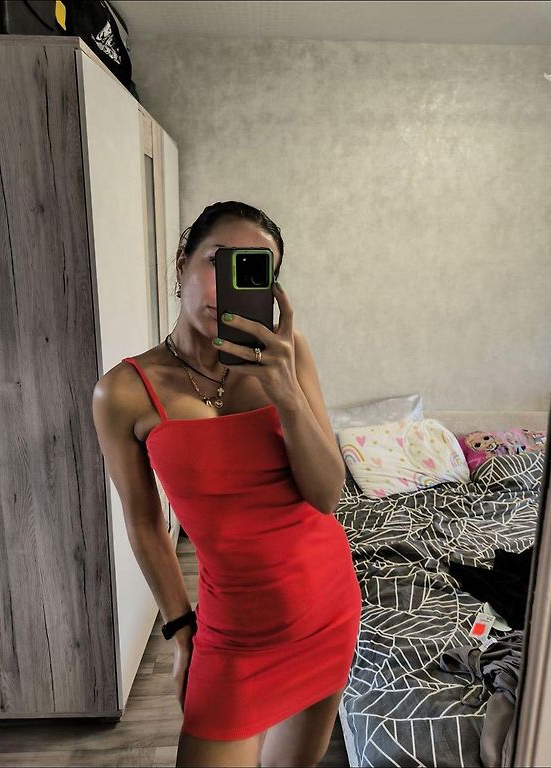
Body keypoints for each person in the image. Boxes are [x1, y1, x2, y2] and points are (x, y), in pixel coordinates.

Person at [92, 201, 362, 768]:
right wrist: (179, 630)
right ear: (182, 262)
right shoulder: (123, 392)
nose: (228, 286)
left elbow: (326, 496)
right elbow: (144, 522)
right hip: (232, 632)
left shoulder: (290, 356)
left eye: (254, 270)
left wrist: (285, 392)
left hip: (326, 608)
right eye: (219, 261)